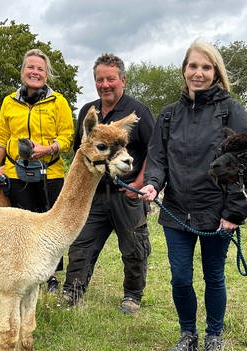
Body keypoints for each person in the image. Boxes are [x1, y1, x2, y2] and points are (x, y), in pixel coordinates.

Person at [139, 40, 247, 351]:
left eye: (206, 67)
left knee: (214, 276)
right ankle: (188, 337)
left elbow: (243, 161)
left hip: (217, 214)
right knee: (180, 278)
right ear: (184, 70)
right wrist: (152, 184)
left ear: (215, 72)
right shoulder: (169, 115)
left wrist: (233, 212)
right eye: (193, 66)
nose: (198, 73)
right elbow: (157, 158)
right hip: (176, 211)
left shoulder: (230, 109)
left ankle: (214, 338)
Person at [58, 53, 154, 314]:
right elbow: (83, 149)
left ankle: (132, 296)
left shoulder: (139, 112)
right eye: (100, 80)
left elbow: (155, 150)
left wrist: (141, 181)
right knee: (82, 243)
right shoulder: (88, 112)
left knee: (134, 244)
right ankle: (72, 292)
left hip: (127, 192)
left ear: (122, 80)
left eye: (111, 79)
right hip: (94, 193)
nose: (105, 85)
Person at [0, 48, 74, 291]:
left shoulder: (58, 102)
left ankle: (51, 276)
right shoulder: (9, 101)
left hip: (50, 173)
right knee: (22, 226)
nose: (35, 72)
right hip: (17, 174)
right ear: (22, 72)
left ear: (46, 75)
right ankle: (24, 271)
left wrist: (47, 149)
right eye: (31, 67)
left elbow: (67, 137)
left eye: (40, 69)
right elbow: (2, 136)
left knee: (50, 225)